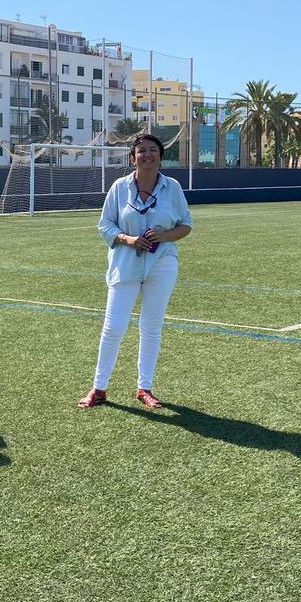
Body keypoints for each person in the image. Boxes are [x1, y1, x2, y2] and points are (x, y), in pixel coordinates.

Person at [79, 133, 192, 410]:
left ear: (161, 157)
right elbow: (104, 226)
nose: (147, 154)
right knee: (113, 327)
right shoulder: (119, 187)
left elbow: (186, 224)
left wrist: (165, 236)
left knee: (151, 327)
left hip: (162, 263)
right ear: (133, 157)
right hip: (125, 264)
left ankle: (145, 388)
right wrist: (127, 239)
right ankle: (99, 388)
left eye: (153, 150)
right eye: (141, 150)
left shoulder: (173, 187)